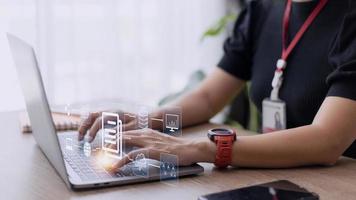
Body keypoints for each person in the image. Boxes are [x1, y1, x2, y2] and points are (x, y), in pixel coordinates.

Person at [78, 0, 356, 170]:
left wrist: (204, 149)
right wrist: (146, 120)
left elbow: (328, 141)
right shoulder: (263, 9)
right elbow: (209, 97)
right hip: (280, 179)